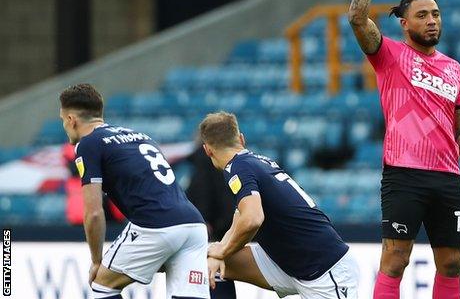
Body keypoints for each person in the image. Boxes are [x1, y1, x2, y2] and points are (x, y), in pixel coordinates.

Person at [348, 0, 460, 298]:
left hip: (446, 178)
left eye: (437, 14)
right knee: (396, 260)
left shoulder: (454, 69)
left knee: (452, 263)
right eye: (423, 15)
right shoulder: (389, 56)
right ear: (405, 23)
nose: (432, 20)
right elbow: (356, 17)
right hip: (404, 174)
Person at [58, 84, 209, 299]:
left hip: (156, 226)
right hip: (194, 226)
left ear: (72, 119)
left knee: (102, 285)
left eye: (63, 119)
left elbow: (93, 213)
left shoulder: (88, 145)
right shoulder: (139, 135)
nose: (64, 125)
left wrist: (96, 261)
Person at [199, 111, 359, 299]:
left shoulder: (238, 168)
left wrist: (223, 250)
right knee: (211, 263)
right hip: (290, 264)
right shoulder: (257, 162)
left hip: (325, 271)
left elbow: (252, 219)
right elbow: (239, 219)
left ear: (207, 150)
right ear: (242, 139)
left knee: (219, 257)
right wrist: (219, 252)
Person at [186, 142, 238, 298]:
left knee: (209, 267)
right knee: (217, 269)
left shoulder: (202, 160)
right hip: (230, 225)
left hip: (215, 228)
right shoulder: (238, 161)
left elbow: (203, 190)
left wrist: (203, 219)